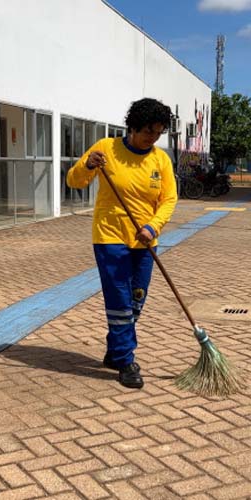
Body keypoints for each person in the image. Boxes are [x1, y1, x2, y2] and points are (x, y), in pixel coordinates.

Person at [66, 98, 178, 389]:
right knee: (119, 301)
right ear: (133, 126)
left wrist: (153, 226)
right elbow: (74, 181)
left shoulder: (160, 160)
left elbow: (169, 199)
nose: (152, 138)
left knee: (136, 299)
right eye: (148, 131)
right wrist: (87, 165)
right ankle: (126, 360)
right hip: (110, 237)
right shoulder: (105, 148)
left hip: (145, 240)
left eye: (158, 132)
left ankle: (115, 350)